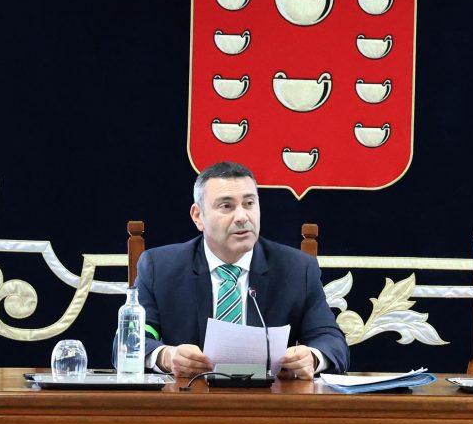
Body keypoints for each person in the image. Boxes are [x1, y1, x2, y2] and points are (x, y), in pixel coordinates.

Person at [131, 161, 348, 379]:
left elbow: (330, 340)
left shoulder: (297, 269)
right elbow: (131, 340)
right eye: (227, 206)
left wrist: (312, 357)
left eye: (249, 203)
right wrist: (166, 356)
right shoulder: (160, 267)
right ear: (198, 216)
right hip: (187, 404)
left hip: (268, 405)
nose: (242, 216)